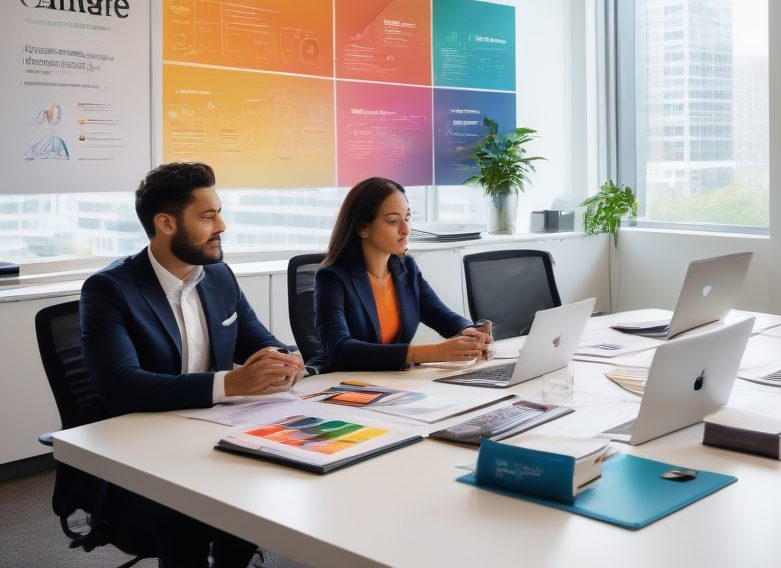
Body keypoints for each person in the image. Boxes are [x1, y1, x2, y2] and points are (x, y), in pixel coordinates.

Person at [80, 161, 305, 567]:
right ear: (166, 223)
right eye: (207, 216)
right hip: (149, 447)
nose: (222, 226)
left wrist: (283, 360)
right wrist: (230, 384)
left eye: (219, 212)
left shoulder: (218, 276)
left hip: (216, 433)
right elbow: (120, 385)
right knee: (189, 538)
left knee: (264, 496)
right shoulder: (109, 290)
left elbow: (258, 340)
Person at [314, 177, 492, 371]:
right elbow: (339, 350)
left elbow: (442, 315)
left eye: (407, 218)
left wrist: (471, 333)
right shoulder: (332, 278)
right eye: (392, 221)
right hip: (346, 384)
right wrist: (429, 353)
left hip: (396, 381)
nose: (406, 230)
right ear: (362, 228)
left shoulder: (406, 269)